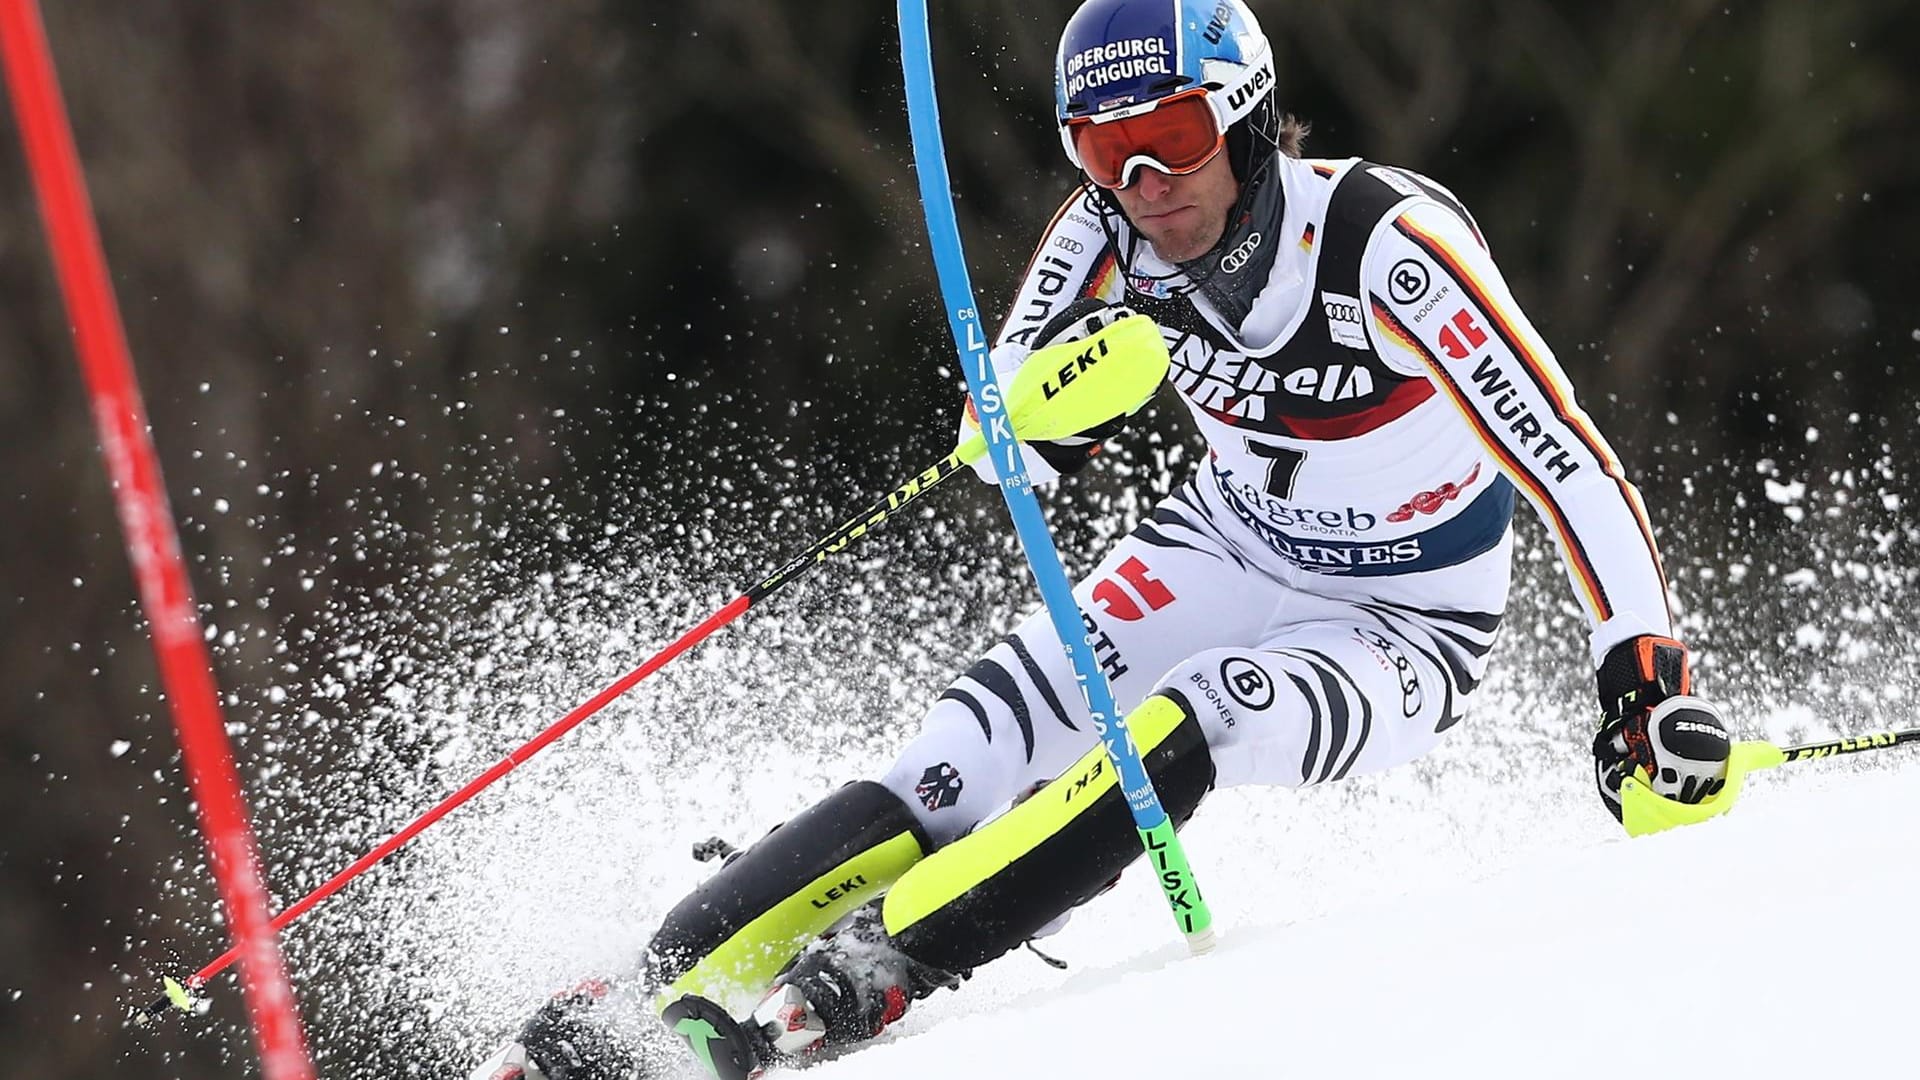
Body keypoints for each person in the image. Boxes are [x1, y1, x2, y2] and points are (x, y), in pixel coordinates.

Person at [473, 1, 1734, 1077]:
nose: (1144, 185)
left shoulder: (1386, 250)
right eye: (1104, 149)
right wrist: (1033, 411)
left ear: (1244, 121)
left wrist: (1640, 679)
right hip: (1224, 548)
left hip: (1402, 623)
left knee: (1187, 725)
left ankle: (862, 978)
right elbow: (1004, 425)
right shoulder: (1105, 238)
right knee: (956, 761)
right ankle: (626, 1008)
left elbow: (1566, 458)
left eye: (1173, 140)